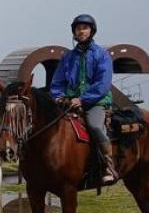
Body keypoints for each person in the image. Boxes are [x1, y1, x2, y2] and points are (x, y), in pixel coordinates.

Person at [50, 13, 118, 184]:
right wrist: (58, 97)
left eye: (85, 28)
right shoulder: (67, 57)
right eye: (78, 28)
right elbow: (57, 81)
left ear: (92, 31)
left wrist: (83, 99)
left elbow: (102, 84)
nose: (81, 31)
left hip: (96, 101)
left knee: (94, 125)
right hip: (69, 102)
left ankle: (108, 166)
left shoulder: (102, 55)